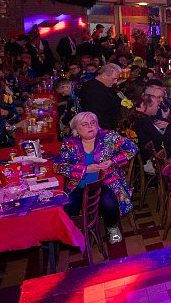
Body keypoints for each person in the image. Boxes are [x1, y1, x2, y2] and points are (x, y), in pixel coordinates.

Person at [54, 112, 138, 245]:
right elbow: (58, 166)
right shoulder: (69, 144)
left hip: (106, 182)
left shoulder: (108, 137)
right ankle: (73, 232)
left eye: (93, 123)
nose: (90, 126)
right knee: (67, 206)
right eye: (85, 124)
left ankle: (112, 227)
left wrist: (113, 161)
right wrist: (85, 169)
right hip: (79, 184)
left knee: (109, 203)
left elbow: (132, 148)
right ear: (76, 129)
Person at [77, 63, 124, 131]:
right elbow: (98, 116)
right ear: (104, 75)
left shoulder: (99, 84)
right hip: (104, 130)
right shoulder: (96, 91)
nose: (115, 82)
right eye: (114, 79)